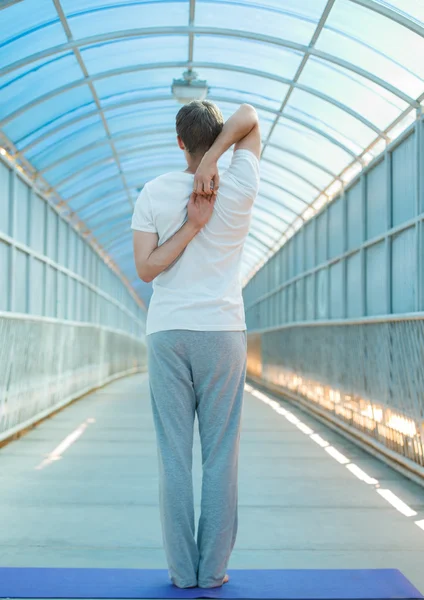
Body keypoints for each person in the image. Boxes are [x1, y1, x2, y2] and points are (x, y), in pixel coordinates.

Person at [131, 101, 261, 589]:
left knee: (174, 457)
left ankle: (182, 574)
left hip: (167, 333)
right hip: (223, 332)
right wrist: (214, 166)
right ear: (218, 135)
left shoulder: (155, 192)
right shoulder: (242, 183)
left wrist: (187, 222)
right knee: (221, 456)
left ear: (179, 141)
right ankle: (214, 572)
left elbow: (146, 269)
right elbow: (250, 116)